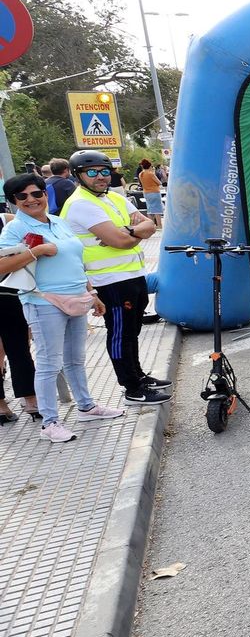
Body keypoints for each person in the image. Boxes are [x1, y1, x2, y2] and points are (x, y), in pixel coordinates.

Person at [0, 173, 126, 442]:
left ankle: (86, 406)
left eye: (37, 193)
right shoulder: (14, 229)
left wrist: (92, 293)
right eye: (23, 196)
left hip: (77, 296)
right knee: (48, 363)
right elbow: (1, 267)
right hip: (43, 301)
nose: (32, 200)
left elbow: (76, 261)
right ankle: (50, 422)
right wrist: (38, 251)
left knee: (75, 359)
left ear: (46, 194)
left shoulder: (58, 222)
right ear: (14, 201)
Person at [61, 151, 171, 405]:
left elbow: (150, 225)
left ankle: (139, 376)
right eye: (92, 172)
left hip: (131, 275)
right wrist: (131, 233)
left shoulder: (112, 197)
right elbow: (119, 241)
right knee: (120, 333)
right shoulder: (81, 204)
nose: (100, 177)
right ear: (78, 175)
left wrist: (129, 230)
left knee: (133, 330)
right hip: (108, 281)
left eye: (104, 171)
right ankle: (132, 388)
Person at [0, 204, 39, 423]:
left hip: (8, 292)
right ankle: (2, 404)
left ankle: (30, 398)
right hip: (8, 292)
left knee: (19, 347)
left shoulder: (7, 221)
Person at [138, 159, 164, 228]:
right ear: (149, 166)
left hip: (146, 193)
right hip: (154, 192)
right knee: (157, 209)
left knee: (150, 209)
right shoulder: (150, 174)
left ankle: (151, 225)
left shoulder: (141, 174)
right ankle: (159, 225)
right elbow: (159, 183)